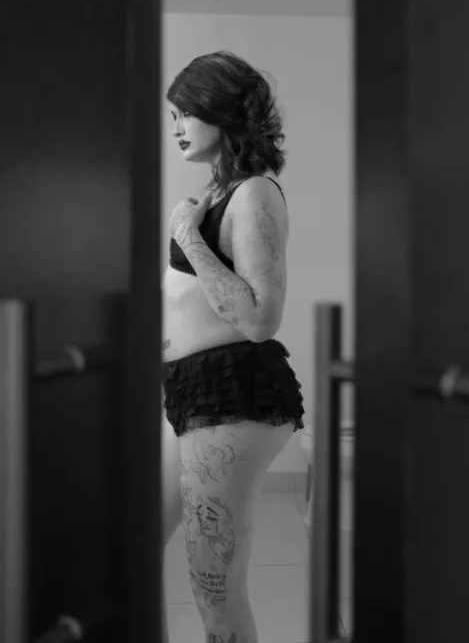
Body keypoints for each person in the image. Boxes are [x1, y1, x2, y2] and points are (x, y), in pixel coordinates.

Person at [161, 51, 305, 643]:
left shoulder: (253, 194)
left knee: (214, 589)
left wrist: (188, 238)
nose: (176, 127)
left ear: (221, 112)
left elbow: (260, 319)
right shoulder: (219, 192)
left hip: (230, 396)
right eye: (172, 116)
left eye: (185, 113)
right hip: (190, 393)